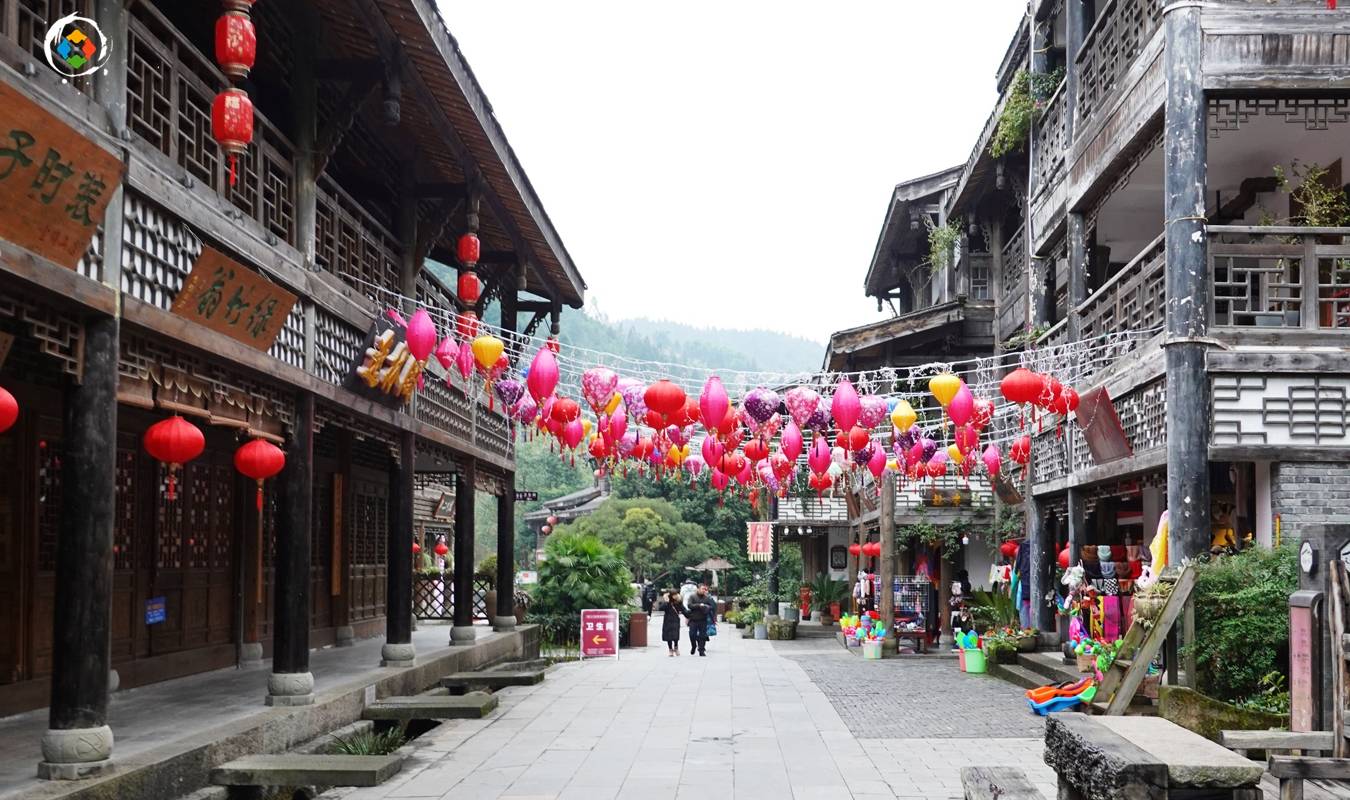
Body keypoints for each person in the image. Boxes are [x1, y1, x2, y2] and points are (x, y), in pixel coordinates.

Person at [684, 583, 715, 656]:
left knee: (703, 636)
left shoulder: (707, 598)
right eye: (702, 589)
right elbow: (689, 605)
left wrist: (707, 607)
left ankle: (701, 650)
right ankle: (694, 646)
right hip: (693, 619)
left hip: (703, 619)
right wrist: (699, 605)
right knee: (692, 635)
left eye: (705, 589)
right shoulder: (692, 596)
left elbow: (712, 606)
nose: (704, 590)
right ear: (698, 589)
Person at [660, 590, 684, 656]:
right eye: (673, 595)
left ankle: (676, 647)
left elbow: (683, 610)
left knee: (675, 635)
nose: (675, 596)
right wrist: (666, 602)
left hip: (676, 620)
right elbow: (661, 608)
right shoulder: (667, 602)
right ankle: (670, 649)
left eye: (676, 594)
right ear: (670, 595)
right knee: (668, 636)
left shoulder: (678, 602)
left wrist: (690, 615)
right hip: (667, 620)